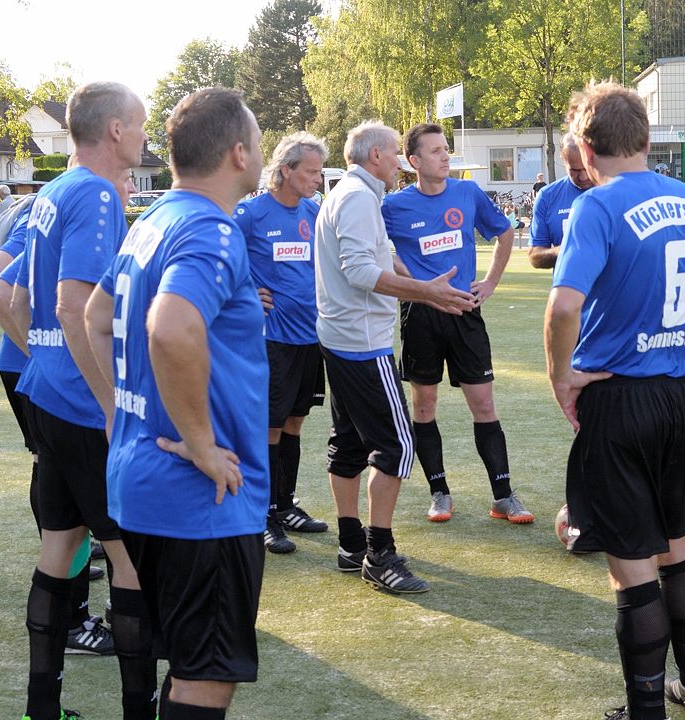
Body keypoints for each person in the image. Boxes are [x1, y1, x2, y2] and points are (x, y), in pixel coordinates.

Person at [546, 80, 685, 720]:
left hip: (620, 403)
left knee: (632, 564)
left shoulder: (596, 206)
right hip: (680, 400)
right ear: (646, 139)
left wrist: (561, 377)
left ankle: (645, 709)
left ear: (586, 149)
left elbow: (564, 306)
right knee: (677, 545)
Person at [86, 86, 269, 720]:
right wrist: (199, 443)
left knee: (188, 665)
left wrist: (117, 410)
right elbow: (169, 326)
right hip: (200, 499)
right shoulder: (209, 228)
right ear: (239, 153)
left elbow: (95, 312)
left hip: (142, 482)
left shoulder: (155, 219)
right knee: (204, 677)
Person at [8, 81, 157, 720]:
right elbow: (74, 307)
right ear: (117, 131)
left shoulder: (52, 191)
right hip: (78, 405)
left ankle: (42, 709)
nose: (147, 136)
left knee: (60, 548)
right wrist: (111, 403)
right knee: (129, 558)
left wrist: (43, 360)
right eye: (142, 124)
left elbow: (9, 300)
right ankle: (137, 709)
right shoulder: (95, 194)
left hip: (44, 395)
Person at [316, 120, 474, 592]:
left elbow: (382, 256)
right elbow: (364, 271)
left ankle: (350, 545)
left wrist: (425, 290)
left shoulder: (355, 193)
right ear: (376, 157)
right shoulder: (359, 197)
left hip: (341, 336)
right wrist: (424, 292)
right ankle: (378, 555)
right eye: (396, 154)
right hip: (362, 342)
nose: (403, 164)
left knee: (347, 444)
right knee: (397, 446)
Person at [0, 173, 137, 658]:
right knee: (112, 534)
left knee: (64, 521)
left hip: (47, 377)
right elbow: (2, 287)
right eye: (130, 177)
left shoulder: (59, 200)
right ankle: (92, 627)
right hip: (61, 383)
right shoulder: (77, 203)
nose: (132, 186)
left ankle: (63, 644)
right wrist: (43, 352)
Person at [382, 123, 533, 525]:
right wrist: (414, 283)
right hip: (420, 315)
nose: (445, 156)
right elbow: (374, 249)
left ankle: (503, 495)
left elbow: (504, 233)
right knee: (424, 404)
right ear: (413, 162)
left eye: (445, 149)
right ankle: (439, 492)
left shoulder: (467, 193)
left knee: (483, 404)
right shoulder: (393, 207)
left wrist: (491, 282)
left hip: (466, 311)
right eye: (435, 151)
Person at [234, 131, 330, 555]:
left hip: (312, 336)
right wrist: (244, 292)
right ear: (285, 170)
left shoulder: (314, 212)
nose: (318, 178)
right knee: (269, 426)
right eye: (310, 171)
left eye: (319, 170)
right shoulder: (251, 214)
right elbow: (222, 259)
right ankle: (264, 515)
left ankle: (287, 504)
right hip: (271, 338)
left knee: (295, 421)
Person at [528, 132, 595, 270]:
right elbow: (535, 256)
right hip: (569, 289)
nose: (583, 177)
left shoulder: (616, 190)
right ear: (563, 159)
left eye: (587, 169)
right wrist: (569, 249)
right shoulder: (547, 196)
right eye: (575, 170)